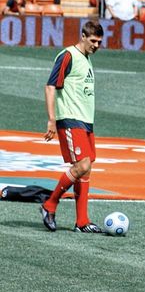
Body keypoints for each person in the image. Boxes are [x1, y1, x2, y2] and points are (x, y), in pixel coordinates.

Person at [41, 21, 105, 234]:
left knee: (87, 169)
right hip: (70, 118)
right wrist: (52, 119)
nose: (96, 45)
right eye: (93, 41)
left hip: (86, 121)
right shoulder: (67, 55)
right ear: (84, 36)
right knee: (82, 166)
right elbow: (50, 86)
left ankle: (82, 221)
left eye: (100, 42)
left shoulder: (86, 59)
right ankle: (49, 205)